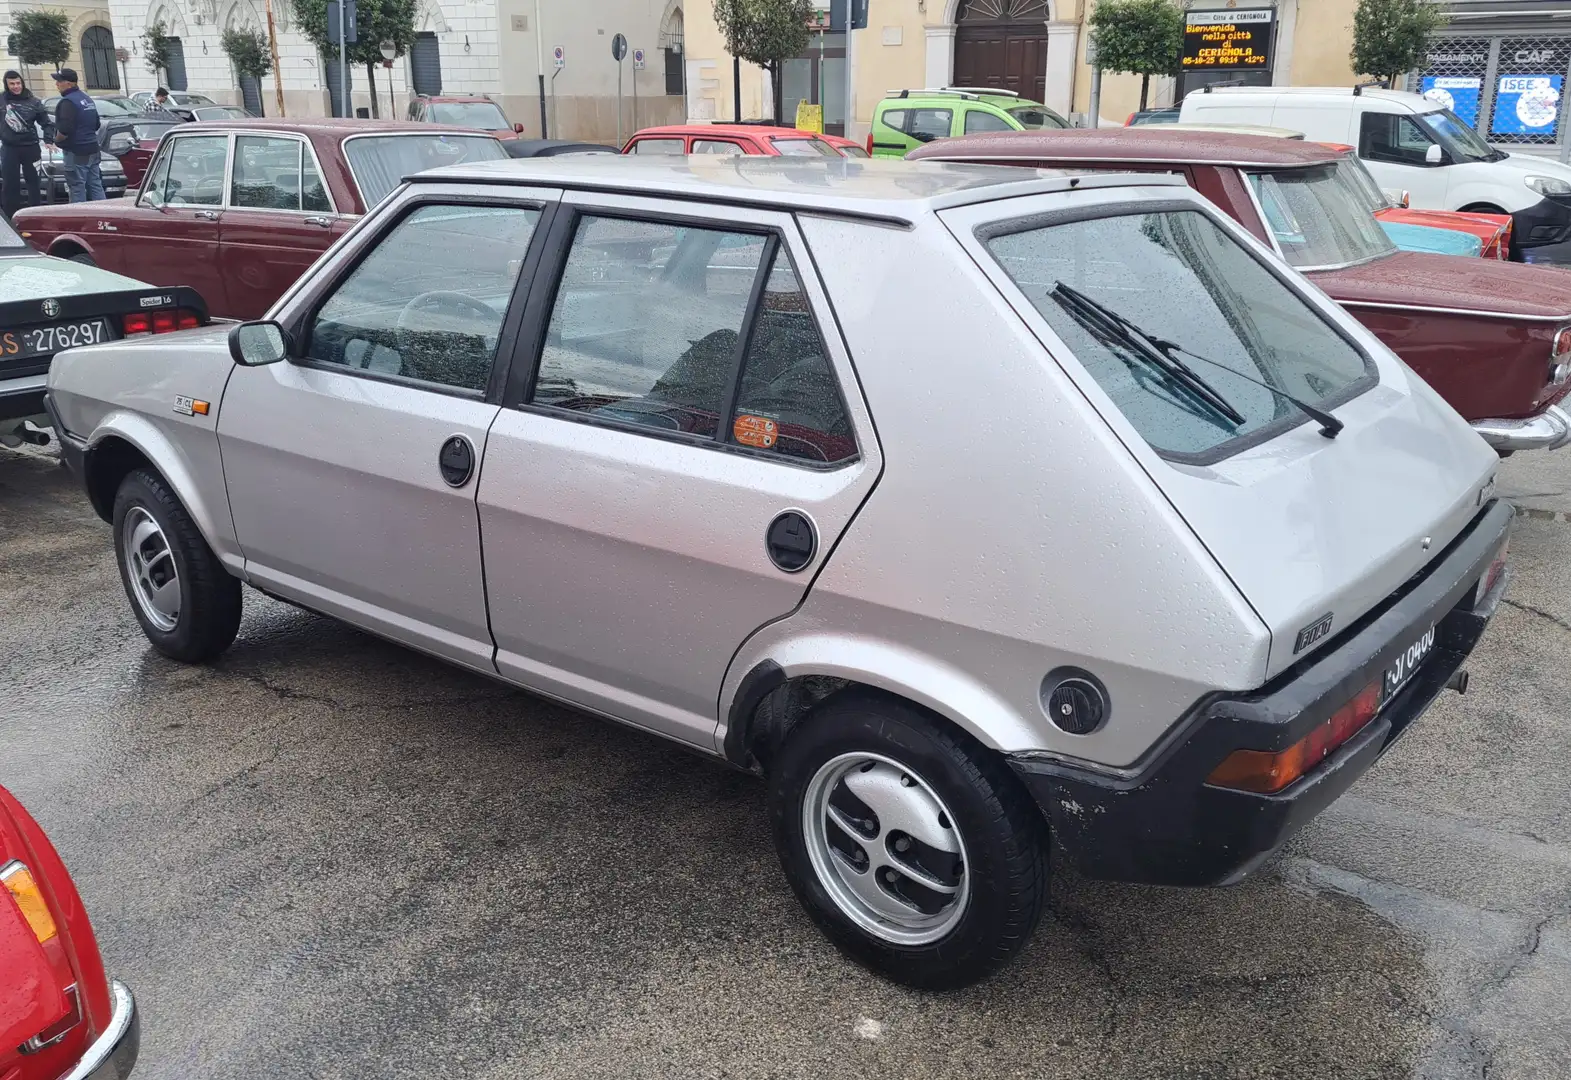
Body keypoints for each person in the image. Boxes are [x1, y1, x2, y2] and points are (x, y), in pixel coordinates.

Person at [0, 70, 51, 218]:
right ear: (7, 85)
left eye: (18, 83)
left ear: (22, 83)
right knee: (10, 184)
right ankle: (10, 217)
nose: (16, 86)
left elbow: (46, 123)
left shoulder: (34, 101)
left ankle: (35, 215)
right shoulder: (1, 100)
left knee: (34, 183)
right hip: (9, 148)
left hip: (31, 147)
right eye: (12, 84)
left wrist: (49, 140)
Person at [50, 69, 103, 203]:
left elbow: (64, 129)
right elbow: (97, 124)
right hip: (93, 149)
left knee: (77, 187)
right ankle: (103, 212)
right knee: (95, 184)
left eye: (59, 81)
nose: (57, 84)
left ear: (68, 84)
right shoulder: (87, 99)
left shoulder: (68, 102)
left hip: (76, 151)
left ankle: (78, 215)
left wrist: (56, 140)